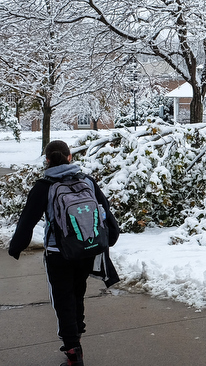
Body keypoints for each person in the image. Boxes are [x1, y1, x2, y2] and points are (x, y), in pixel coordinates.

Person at [8, 140, 120, 366]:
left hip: (58, 253)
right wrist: (112, 237)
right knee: (77, 294)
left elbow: (27, 221)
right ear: (70, 157)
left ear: (47, 161)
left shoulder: (44, 186)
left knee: (63, 300)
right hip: (85, 250)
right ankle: (76, 335)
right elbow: (105, 211)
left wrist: (16, 247)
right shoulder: (87, 180)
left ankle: (73, 351)